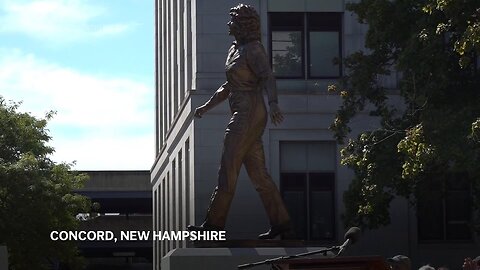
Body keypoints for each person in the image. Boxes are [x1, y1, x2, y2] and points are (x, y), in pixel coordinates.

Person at [186, 4, 294, 239]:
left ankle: (213, 226)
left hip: (248, 114)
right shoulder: (235, 49)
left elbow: (267, 76)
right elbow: (229, 86)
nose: (228, 24)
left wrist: (274, 102)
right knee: (258, 174)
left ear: (242, 25)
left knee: (228, 168)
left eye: (232, 20)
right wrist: (206, 107)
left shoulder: (254, 49)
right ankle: (282, 223)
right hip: (243, 112)